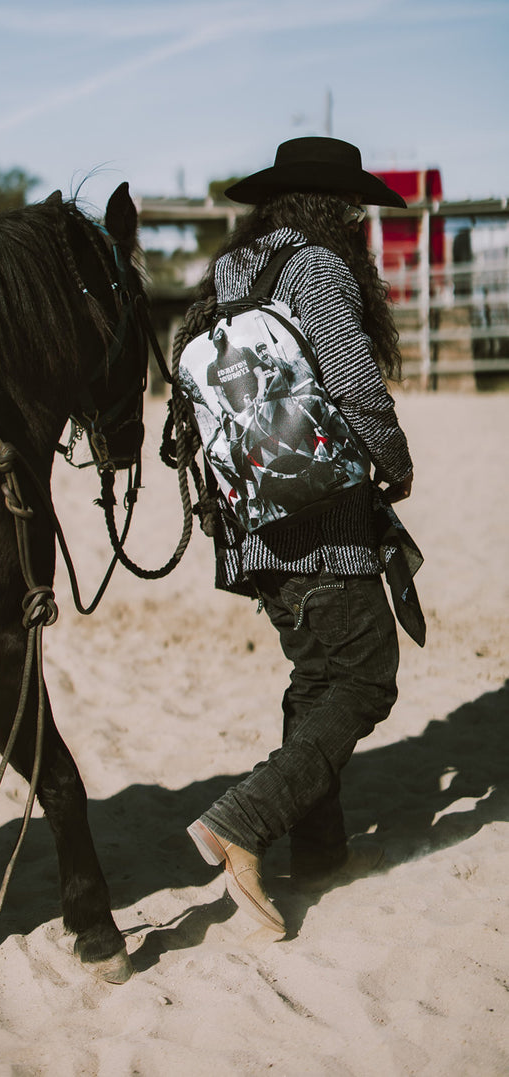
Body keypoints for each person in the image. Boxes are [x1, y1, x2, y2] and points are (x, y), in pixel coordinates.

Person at [186, 136, 417, 934]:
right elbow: (354, 384)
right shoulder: (317, 268)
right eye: (352, 210)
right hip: (326, 520)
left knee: (317, 676)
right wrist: (396, 462)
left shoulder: (231, 274)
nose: (357, 223)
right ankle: (241, 820)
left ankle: (319, 847)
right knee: (363, 678)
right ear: (334, 208)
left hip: (253, 524)